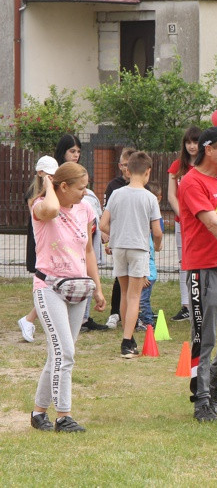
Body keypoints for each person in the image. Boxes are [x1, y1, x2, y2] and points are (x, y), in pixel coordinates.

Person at [29, 162, 106, 432]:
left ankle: (38, 413)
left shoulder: (84, 209)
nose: (85, 193)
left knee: (58, 355)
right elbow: (51, 208)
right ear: (63, 186)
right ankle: (63, 416)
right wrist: (48, 184)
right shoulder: (41, 206)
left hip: (78, 289)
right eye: (81, 188)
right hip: (49, 288)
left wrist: (97, 286)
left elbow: (87, 251)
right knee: (65, 352)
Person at [179, 126, 217, 422]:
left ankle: (211, 383)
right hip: (204, 271)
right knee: (205, 337)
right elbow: (213, 225)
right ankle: (202, 400)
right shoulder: (191, 183)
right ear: (209, 150)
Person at [100, 151, 163, 358]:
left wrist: (113, 236)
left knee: (125, 293)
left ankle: (128, 334)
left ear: (128, 170)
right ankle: (127, 341)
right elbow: (157, 231)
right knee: (135, 295)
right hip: (138, 249)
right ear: (148, 172)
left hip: (119, 248)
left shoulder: (117, 194)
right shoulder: (150, 198)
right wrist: (159, 245)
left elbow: (102, 224)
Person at [18, 156, 60, 342]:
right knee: (46, 284)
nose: (52, 179)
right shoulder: (34, 196)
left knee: (53, 284)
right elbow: (47, 213)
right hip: (41, 243)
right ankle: (29, 319)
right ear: (40, 173)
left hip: (55, 243)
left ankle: (30, 319)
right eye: (49, 175)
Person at [167, 126, 201, 322]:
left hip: (203, 222)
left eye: (195, 142)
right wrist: (185, 217)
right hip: (183, 223)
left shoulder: (207, 165)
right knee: (184, 263)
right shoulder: (177, 166)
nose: (191, 146)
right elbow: (172, 195)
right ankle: (186, 305)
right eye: (188, 142)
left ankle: (201, 303)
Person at [103, 147, 136, 329]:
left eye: (131, 165)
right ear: (120, 166)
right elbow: (106, 215)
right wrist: (108, 238)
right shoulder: (113, 186)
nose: (127, 169)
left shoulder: (143, 187)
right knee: (120, 278)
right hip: (119, 238)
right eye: (124, 165)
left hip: (136, 239)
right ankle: (115, 313)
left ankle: (136, 313)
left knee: (138, 278)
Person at [137, 182, 164, 330]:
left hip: (147, 274)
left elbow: (146, 256)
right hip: (147, 272)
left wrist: (143, 275)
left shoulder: (145, 237)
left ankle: (148, 323)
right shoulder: (147, 235)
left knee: (143, 300)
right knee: (142, 299)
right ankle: (143, 320)